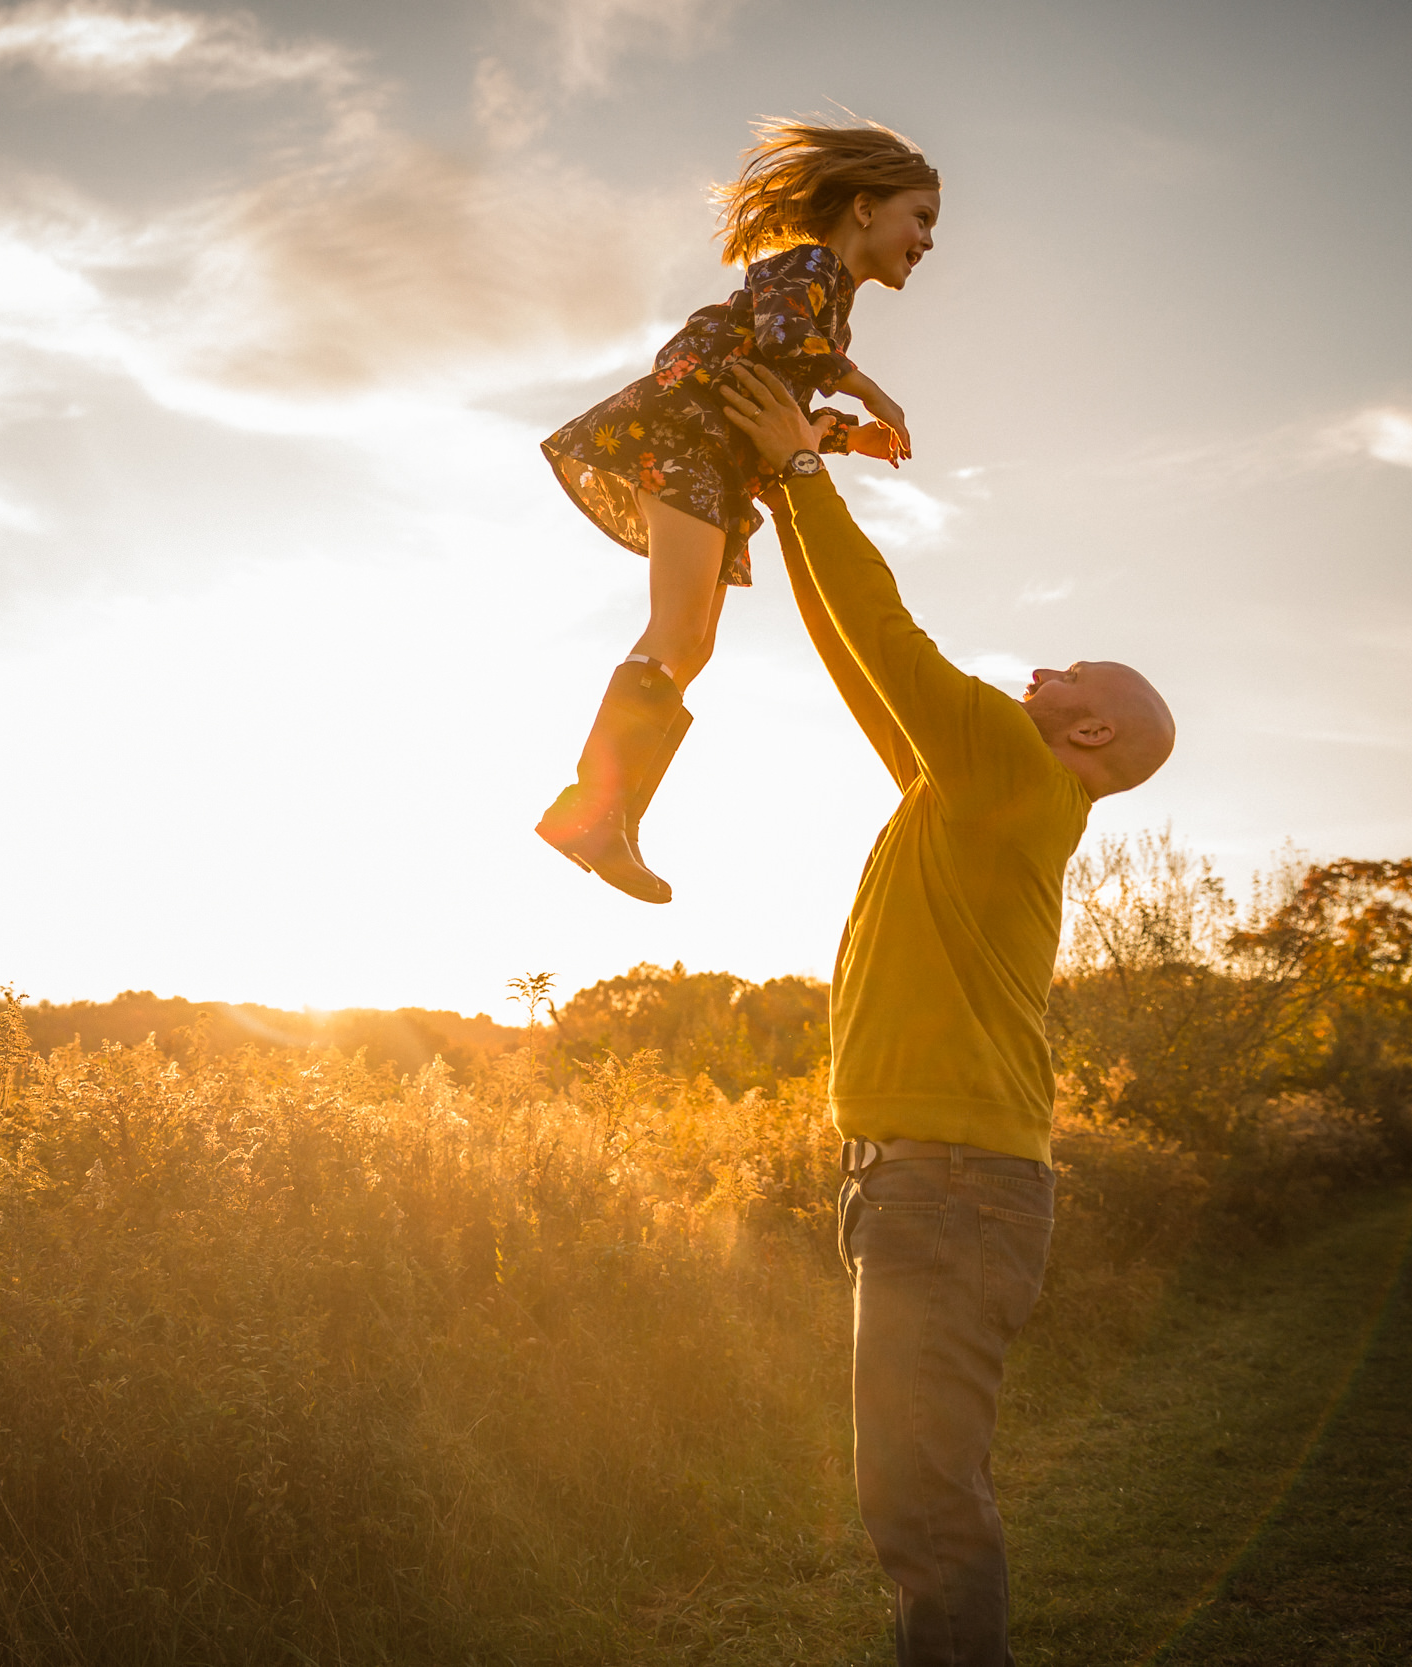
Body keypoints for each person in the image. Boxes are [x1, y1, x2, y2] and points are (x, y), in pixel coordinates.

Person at [717, 357, 1177, 1666]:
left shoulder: (1012, 778)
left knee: (922, 1507)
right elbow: (862, 660)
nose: (1037, 667)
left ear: (1088, 735)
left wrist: (803, 472)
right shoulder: (979, 787)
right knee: (916, 1501)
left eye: (1066, 671)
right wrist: (775, 488)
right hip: (934, 1181)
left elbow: (892, 635)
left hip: (951, 1186)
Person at [535, 119, 939, 904]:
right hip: (686, 444)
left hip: (718, 466)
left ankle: (607, 818)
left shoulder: (834, 307)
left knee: (694, 647)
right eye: (919, 217)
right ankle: (589, 811)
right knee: (677, 632)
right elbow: (787, 341)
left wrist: (851, 439)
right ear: (864, 207)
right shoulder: (807, 267)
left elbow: (784, 396)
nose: (927, 239)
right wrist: (872, 391)